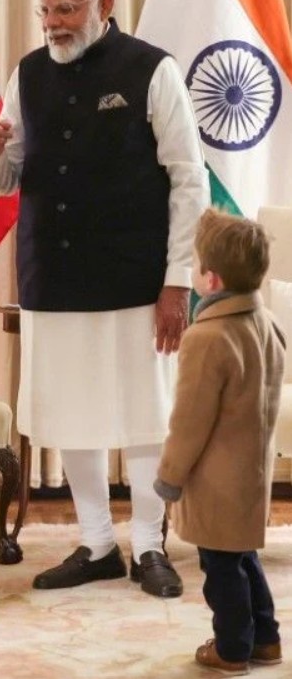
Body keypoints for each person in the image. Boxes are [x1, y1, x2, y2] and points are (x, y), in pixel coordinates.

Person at [0, 0, 209, 597]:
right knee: (71, 410)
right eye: (45, 11)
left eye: (66, 9)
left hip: (138, 276)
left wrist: (178, 280)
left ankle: (148, 544)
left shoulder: (152, 69)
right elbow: (4, 178)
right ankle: (98, 542)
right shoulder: (27, 74)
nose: (53, 22)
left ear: (104, 6)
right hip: (52, 274)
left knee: (145, 412)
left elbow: (189, 179)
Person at [155, 209, 285, 675]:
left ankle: (232, 648)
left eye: (195, 264)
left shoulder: (207, 337)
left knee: (221, 567)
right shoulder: (266, 323)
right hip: (252, 473)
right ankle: (265, 640)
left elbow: (189, 422)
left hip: (216, 481)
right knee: (243, 556)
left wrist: (170, 477)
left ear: (210, 279)